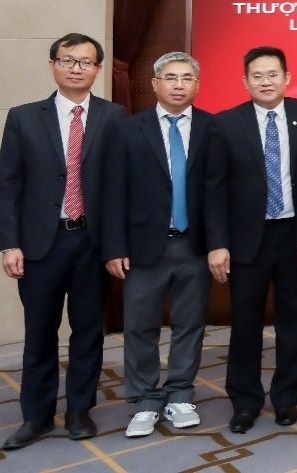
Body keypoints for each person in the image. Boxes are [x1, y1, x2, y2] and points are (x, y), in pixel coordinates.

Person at [0, 33, 126, 449]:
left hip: (92, 243)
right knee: (40, 333)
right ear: (52, 64)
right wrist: (10, 243)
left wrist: (116, 246)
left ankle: (79, 412)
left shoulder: (115, 117)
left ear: (98, 69)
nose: (75, 68)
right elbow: (9, 185)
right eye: (67, 60)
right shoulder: (23, 117)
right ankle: (36, 416)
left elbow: (121, 187)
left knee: (88, 331)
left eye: (85, 62)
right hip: (40, 245)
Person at [205, 47, 297, 433]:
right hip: (247, 240)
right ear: (245, 82)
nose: (266, 82)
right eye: (257, 76)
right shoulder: (225, 123)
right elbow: (215, 189)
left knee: (294, 322)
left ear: (287, 78)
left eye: (273, 74)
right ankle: (245, 401)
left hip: (294, 236)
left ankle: (286, 398)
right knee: (245, 324)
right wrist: (218, 243)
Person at [102, 51, 214, 438]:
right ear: (154, 84)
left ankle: (181, 394)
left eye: (186, 78)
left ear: (197, 85)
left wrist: (219, 243)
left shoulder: (212, 127)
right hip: (143, 247)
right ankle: (145, 400)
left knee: (190, 324)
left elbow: (218, 191)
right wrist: (114, 247)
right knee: (140, 327)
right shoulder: (128, 130)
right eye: (170, 77)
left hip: (194, 245)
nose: (178, 85)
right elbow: (113, 192)